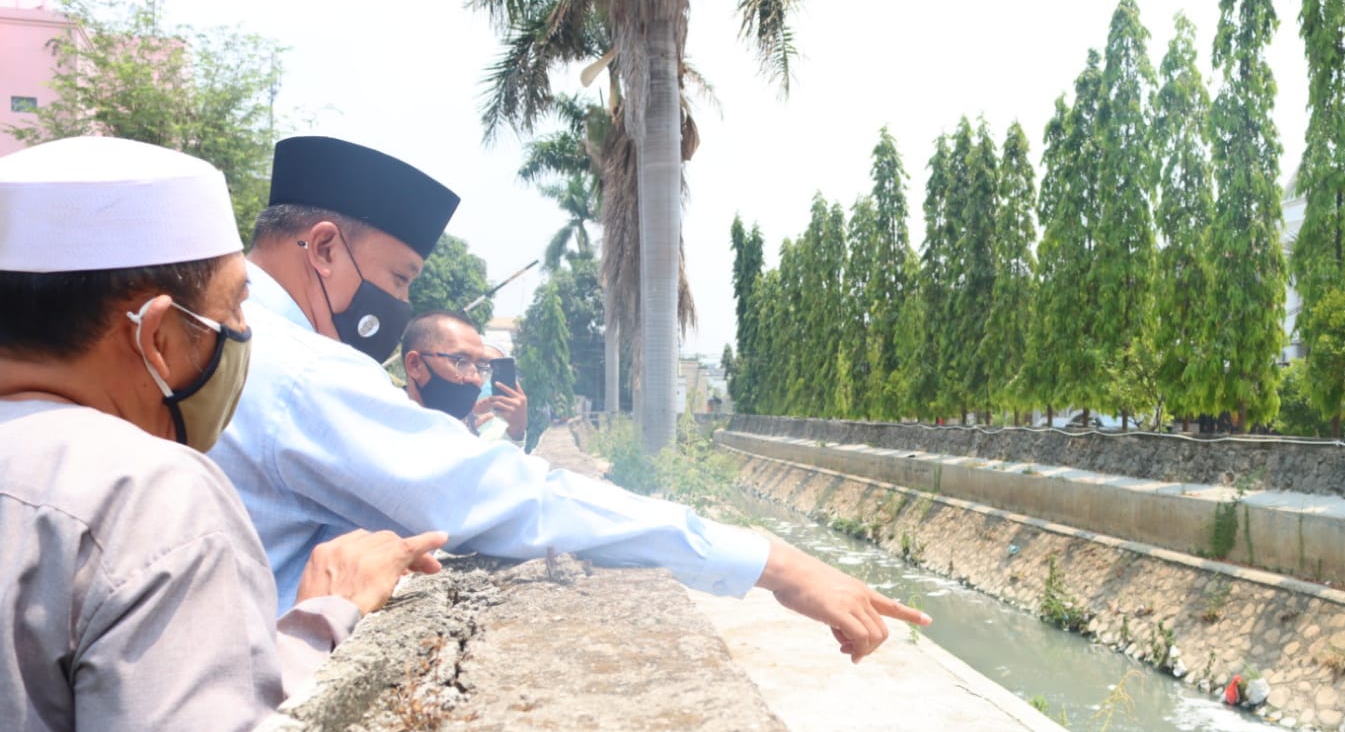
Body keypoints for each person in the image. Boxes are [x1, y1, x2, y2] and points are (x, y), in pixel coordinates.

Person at [0, 137, 446, 732]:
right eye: (237, 308)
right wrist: (324, 618)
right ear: (158, 335)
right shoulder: (144, 489)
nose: (243, 336)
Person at [213, 136, 929, 658]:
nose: (399, 303)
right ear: (324, 249)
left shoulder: (232, 340)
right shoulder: (302, 370)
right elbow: (509, 500)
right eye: (399, 279)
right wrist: (775, 564)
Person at [398, 310, 529, 446]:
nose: (476, 379)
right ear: (415, 365)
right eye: (461, 361)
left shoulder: (464, 442)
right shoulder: (386, 432)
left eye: (480, 367)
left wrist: (517, 429)